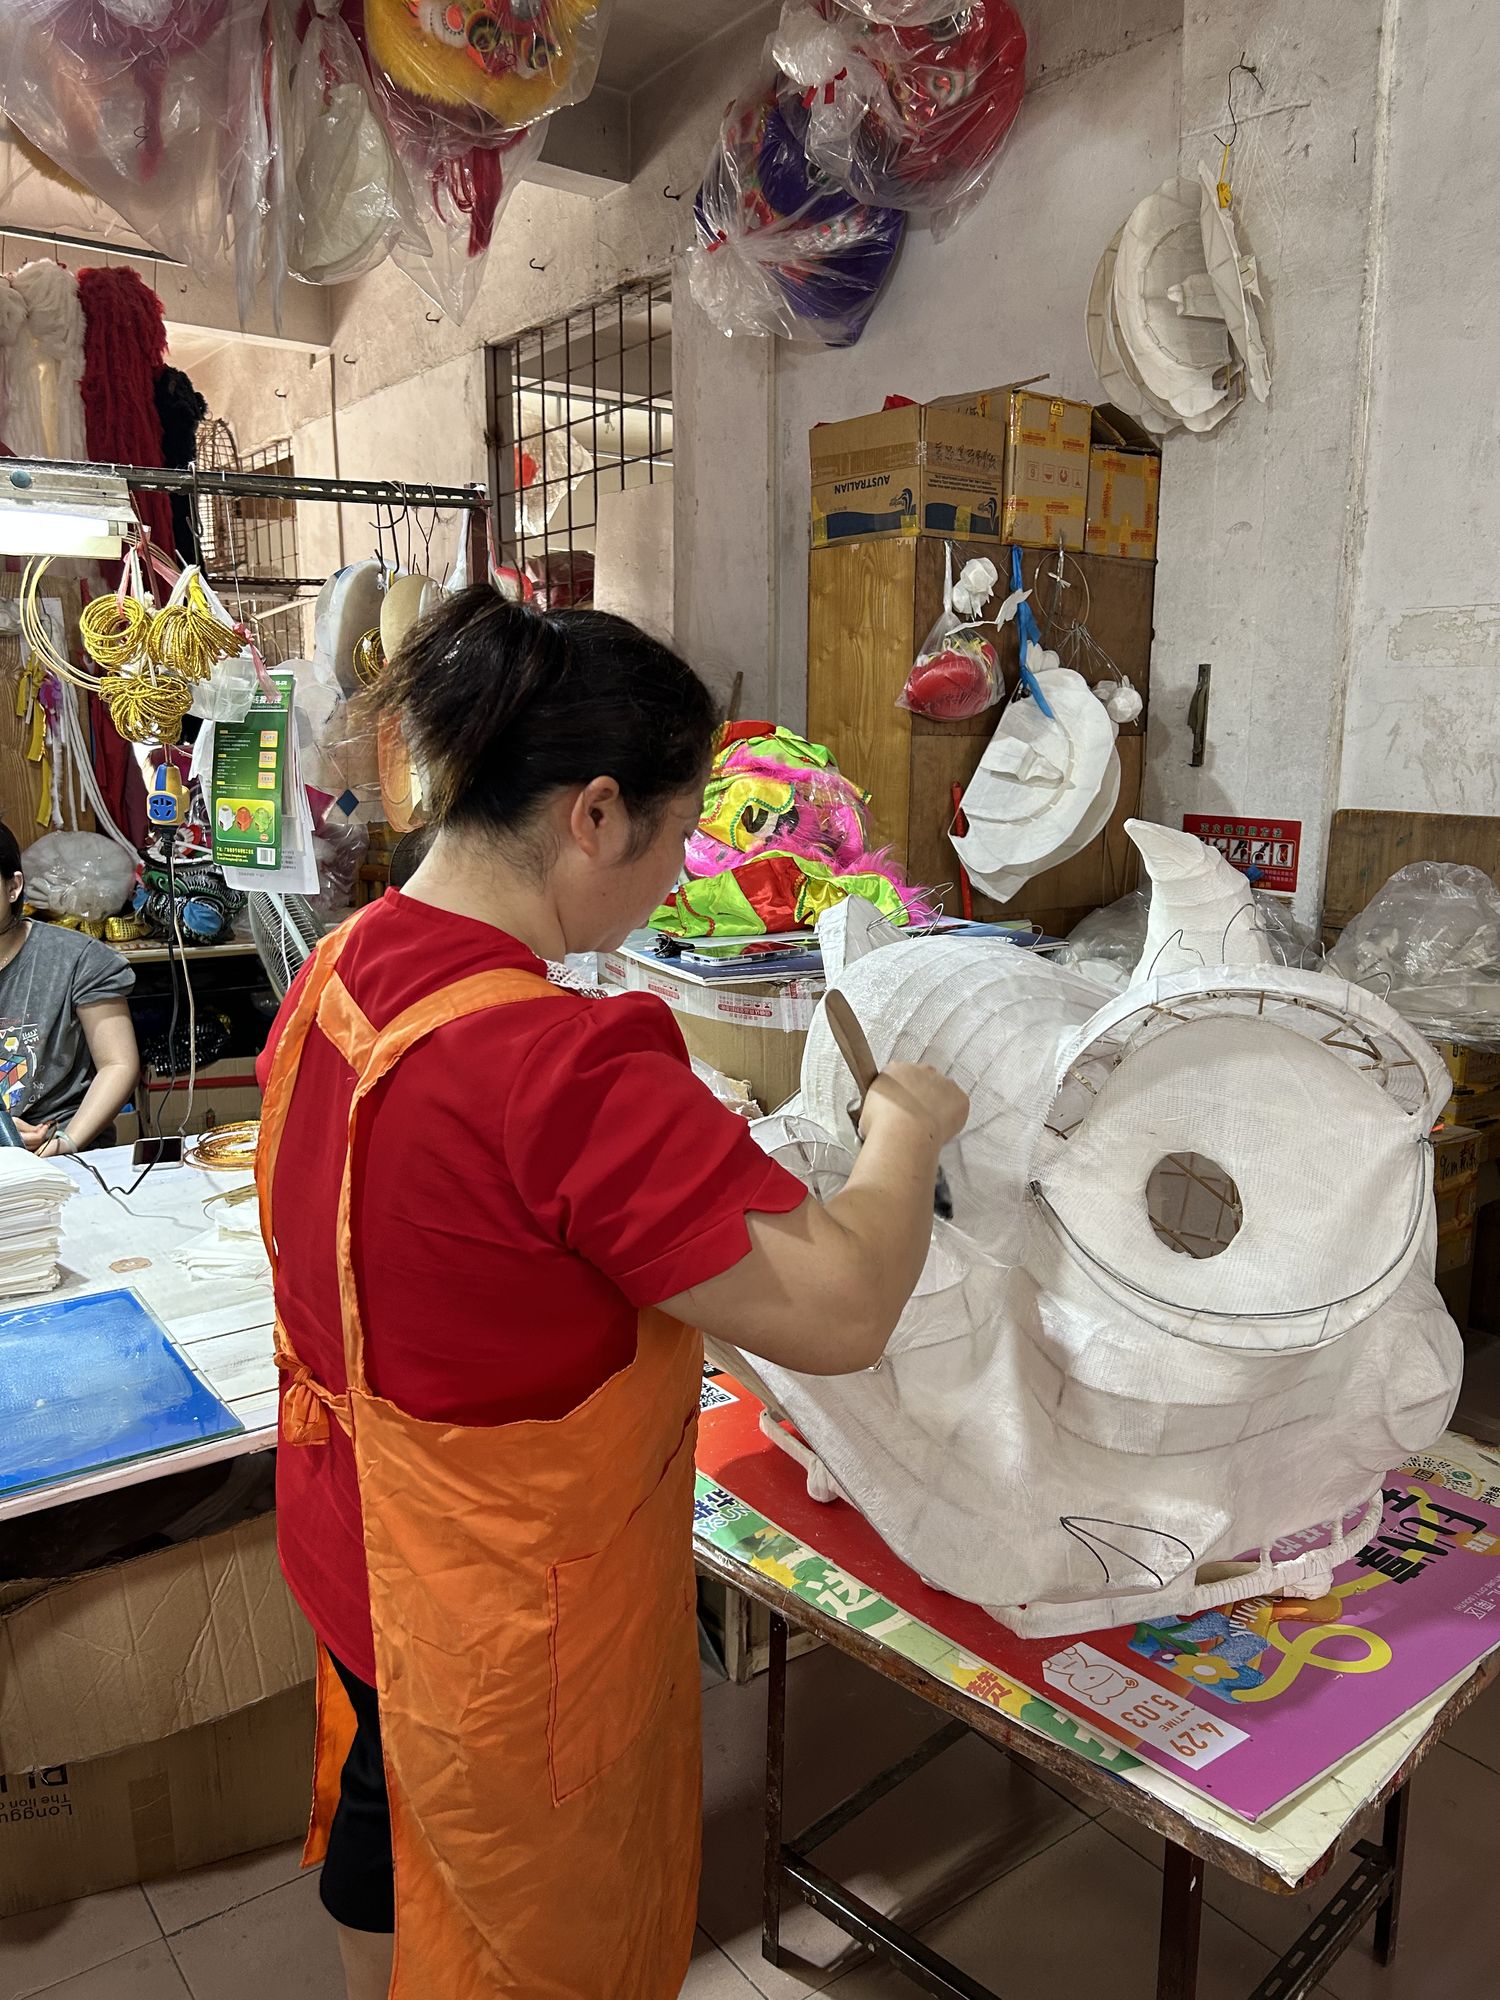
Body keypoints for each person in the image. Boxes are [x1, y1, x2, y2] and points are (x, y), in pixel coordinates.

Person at [255, 589, 968, 2000]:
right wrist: (906, 1133)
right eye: (678, 832)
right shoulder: (561, 1067)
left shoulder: (340, 968)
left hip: (355, 1542)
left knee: (394, 1818)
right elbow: (839, 1310)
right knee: (533, 1927)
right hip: (503, 1616)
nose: (674, 874)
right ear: (592, 816)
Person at [0, 823, 139, 1156]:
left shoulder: (77, 960)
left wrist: (68, 1141)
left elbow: (118, 1064)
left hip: (63, 1145)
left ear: (13, 887)